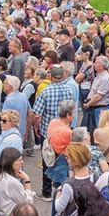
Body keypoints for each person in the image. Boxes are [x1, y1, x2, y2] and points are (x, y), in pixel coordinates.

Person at [33, 65, 74, 201]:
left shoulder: (46, 91)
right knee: (63, 162)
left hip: (49, 132)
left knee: (47, 161)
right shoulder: (69, 90)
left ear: (50, 76)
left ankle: (46, 192)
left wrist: (36, 128)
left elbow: (37, 114)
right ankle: (62, 191)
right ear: (62, 76)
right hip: (65, 132)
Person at [53, 143, 99, 216]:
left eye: (68, 157)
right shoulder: (95, 176)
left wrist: (58, 190)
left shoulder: (69, 185)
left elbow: (58, 207)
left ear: (75, 161)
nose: (66, 160)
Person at [82, 56, 109, 133]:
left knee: (100, 132)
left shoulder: (105, 78)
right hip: (94, 108)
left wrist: (88, 104)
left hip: (101, 109)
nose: (94, 64)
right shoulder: (99, 75)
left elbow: (98, 97)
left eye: (96, 63)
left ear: (102, 66)